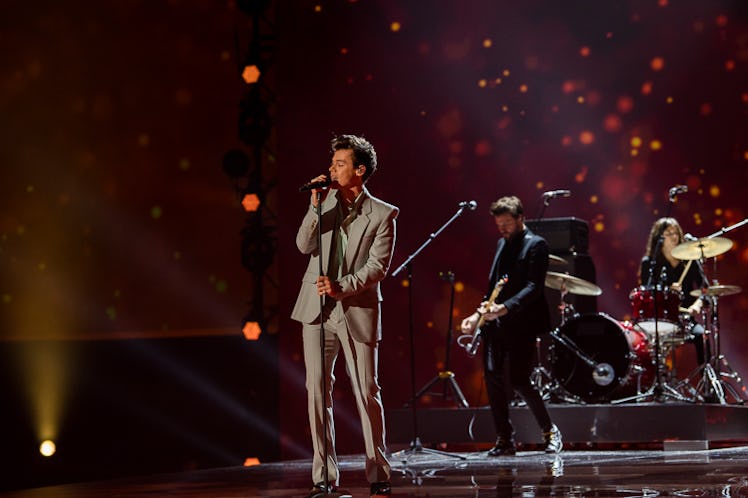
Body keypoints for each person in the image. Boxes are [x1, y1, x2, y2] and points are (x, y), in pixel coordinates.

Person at [291, 135, 397, 498]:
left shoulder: (383, 214)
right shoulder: (325, 202)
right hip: (315, 310)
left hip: (354, 307)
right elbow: (304, 245)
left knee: (366, 390)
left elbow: (378, 267)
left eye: (340, 164)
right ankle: (323, 476)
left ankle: (378, 471)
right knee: (316, 391)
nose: (332, 169)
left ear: (359, 170)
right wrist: (314, 207)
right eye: (332, 162)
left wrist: (341, 286)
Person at [460, 196, 562, 456]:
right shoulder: (501, 244)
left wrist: (504, 308)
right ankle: (504, 439)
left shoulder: (536, 245)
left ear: (520, 218)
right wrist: (476, 315)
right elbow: (494, 286)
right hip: (495, 323)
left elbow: (533, 288)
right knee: (493, 379)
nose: (503, 228)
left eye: (507, 223)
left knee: (519, 379)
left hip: (523, 323)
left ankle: (550, 431)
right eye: (499, 224)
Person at [637, 217, 707, 365]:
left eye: (676, 233)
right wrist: (667, 291)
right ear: (660, 237)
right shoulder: (650, 263)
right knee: (645, 345)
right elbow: (646, 294)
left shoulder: (689, 260)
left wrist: (697, 305)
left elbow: (705, 289)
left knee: (702, 337)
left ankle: (705, 379)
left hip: (686, 319)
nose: (674, 237)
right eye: (669, 233)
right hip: (662, 320)